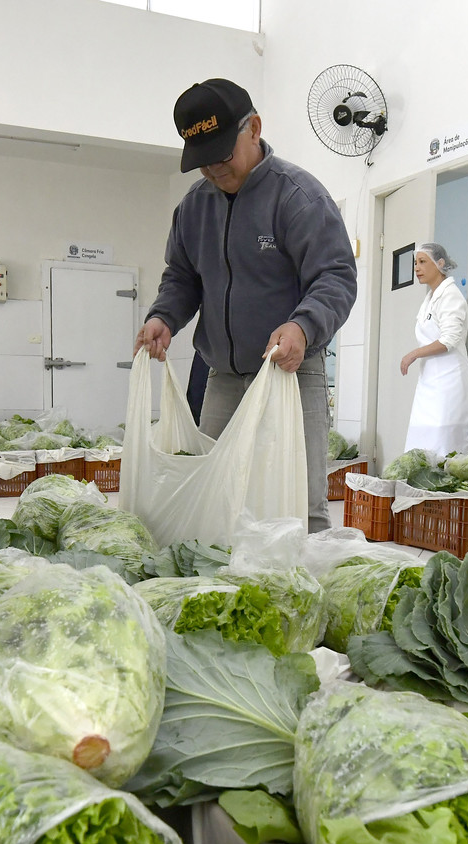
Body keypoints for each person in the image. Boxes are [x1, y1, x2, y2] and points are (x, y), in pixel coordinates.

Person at [136, 78, 356, 529]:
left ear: (253, 128)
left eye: (222, 156)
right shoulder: (194, 209)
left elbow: (335, 277)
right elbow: (181, 276)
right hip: (223, 379)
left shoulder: (298, 198)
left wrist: (302, 326)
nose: (214, 171)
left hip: (291, 377)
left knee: (302, 506)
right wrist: (163, 316)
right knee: (214, 495)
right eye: (202, 163)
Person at [397, 243, 468, 455]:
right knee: (421, 446)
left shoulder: (451, 296)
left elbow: (449, 339)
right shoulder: (431, 298)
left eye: (423, 262)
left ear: (440, 264)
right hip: (430, 382)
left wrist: (414, 354)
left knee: (444, 450)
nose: (417, 268)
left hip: (449, 384)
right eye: (416, 263)